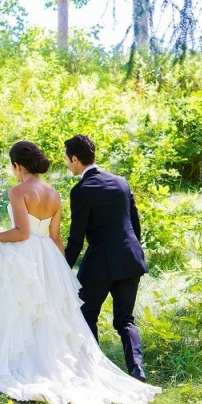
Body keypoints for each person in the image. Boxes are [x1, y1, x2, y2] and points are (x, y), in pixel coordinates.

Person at [0, 140, 160, 404]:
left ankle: (23, 362)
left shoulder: (18, 191)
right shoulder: (55, 193)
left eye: (13, 167)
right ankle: (87, 366)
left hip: (26, 254)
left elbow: (22, 233)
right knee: (54, 313)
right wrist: (60, 271)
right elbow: (57, 237)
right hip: (52, 256)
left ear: (18, 166)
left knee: (20, 308)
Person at [64, 134, 149, 382]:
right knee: (125, 319)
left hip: (100, 263)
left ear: (76, 159)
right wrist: (133, 249)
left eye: (67, 160)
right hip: (130, 258)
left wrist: (62, 266)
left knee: (86, 314)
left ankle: (94, 370)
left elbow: (76, 238)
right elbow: (135, 224)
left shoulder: (81, 190)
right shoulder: (121, 182)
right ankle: (137, 369)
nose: (67, 164)